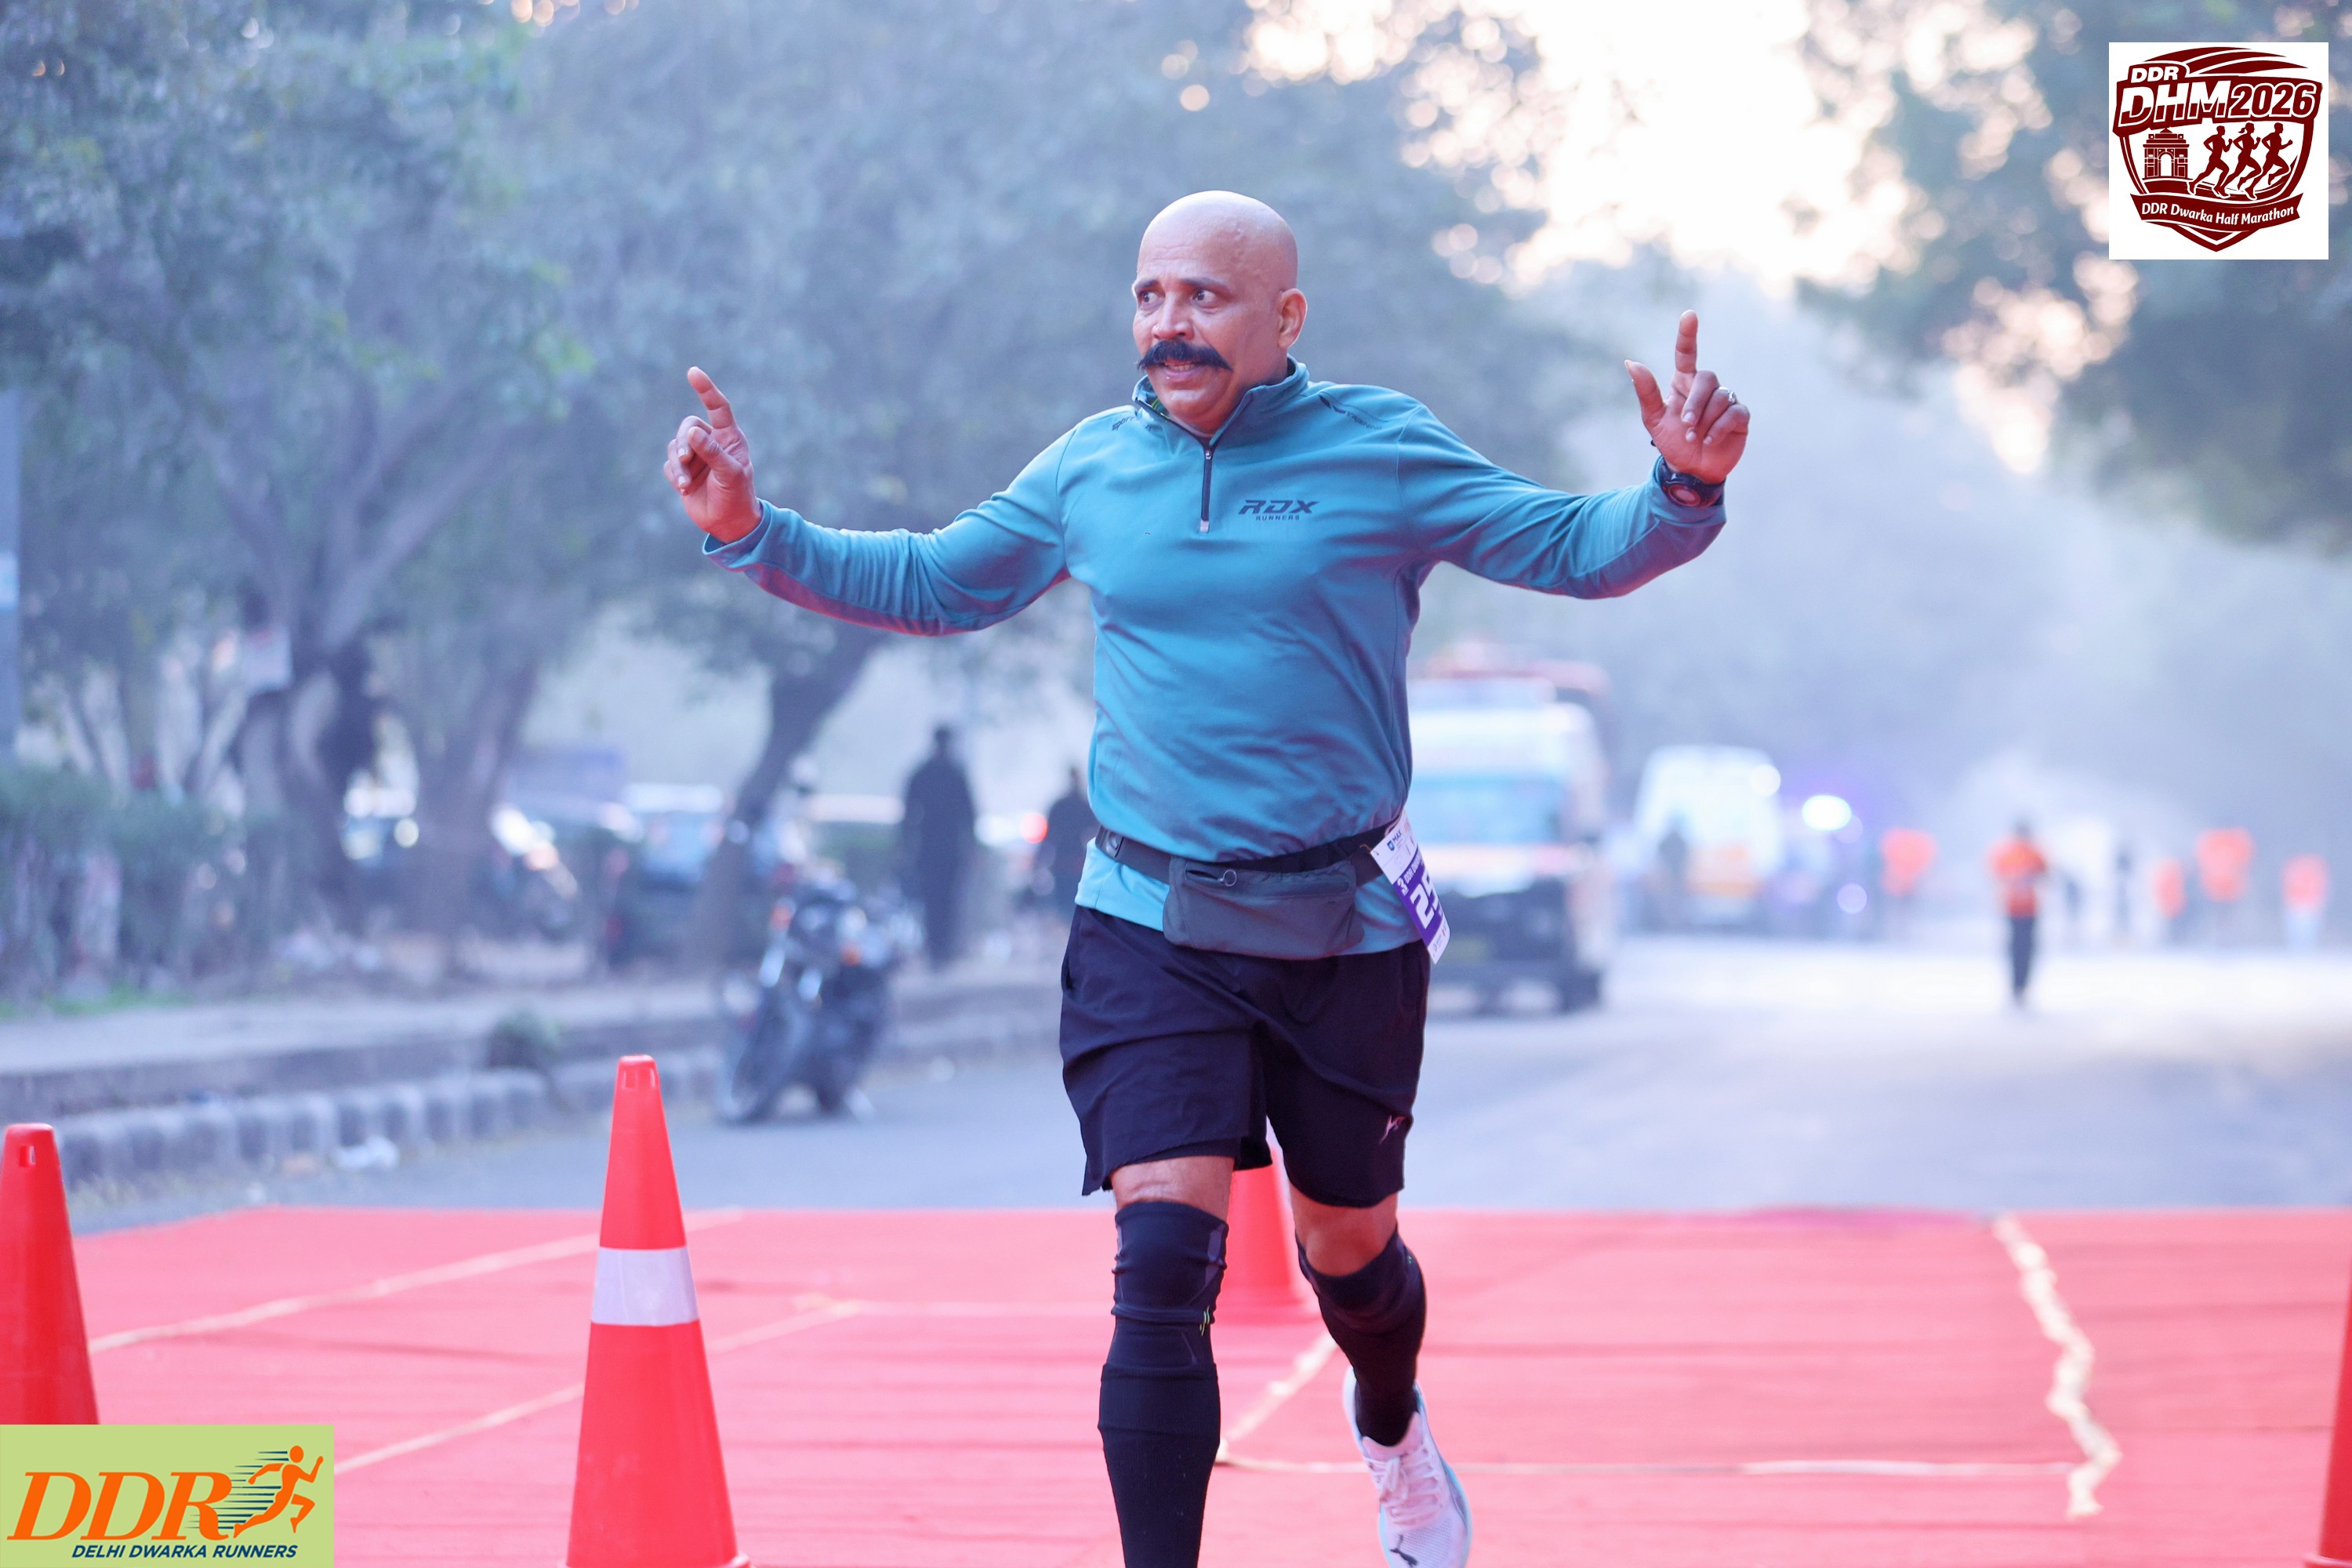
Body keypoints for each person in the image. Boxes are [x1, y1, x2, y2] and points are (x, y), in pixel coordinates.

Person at [664, 190, 1744, 1568]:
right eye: (1150, 295)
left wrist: (1680, 491)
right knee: (1165, 1262)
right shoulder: (1092, 468)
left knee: (1350, 1254)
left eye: (1206, 298)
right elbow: (936, 581)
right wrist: (753, 529)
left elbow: (1573, 548)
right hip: (1151, 920)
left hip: (1344, 926)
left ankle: (1392, 1427)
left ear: (1285, 316)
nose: (1169, 324)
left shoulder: (1381, 449)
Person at [901, 725, 977, 970]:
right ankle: (941, 949)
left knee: (934, 899)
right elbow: (969, 816)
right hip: (947, 848)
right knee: (944, 899)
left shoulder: (924, 774)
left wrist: (906, 847)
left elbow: (908, 816)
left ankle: (938, 948)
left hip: (930, 847)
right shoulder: (954, 774)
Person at [1987, 820, 2049, 1005]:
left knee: (2018, 948)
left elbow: (1996, 876)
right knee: (2024, 948)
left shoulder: (2010, 853)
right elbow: (2046, 875)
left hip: (2019, 907)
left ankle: (2018, 987)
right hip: (2022, 907)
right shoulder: (2032, 853)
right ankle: (2020, 986)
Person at [1039, 766, 1098, 916]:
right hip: (1075, 863)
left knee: (1064, 907)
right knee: (1074, 906)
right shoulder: (1084, 806)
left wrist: (1040, 862)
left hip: (1063, 863)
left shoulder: (1059, 806)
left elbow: (1048, 838)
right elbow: (1095, 833)